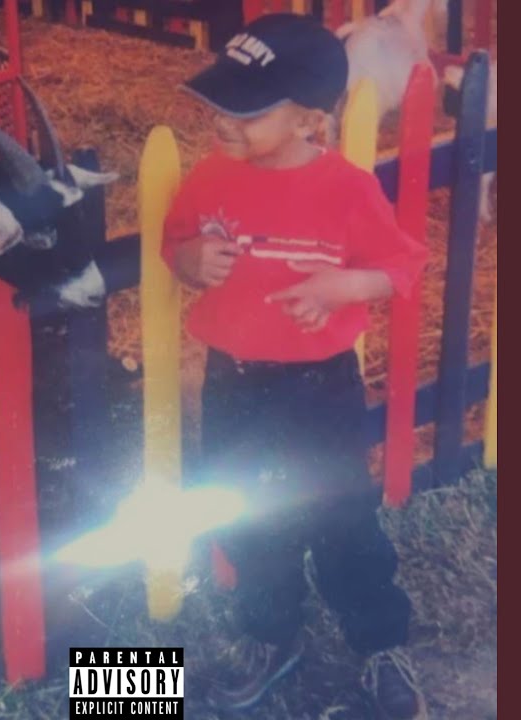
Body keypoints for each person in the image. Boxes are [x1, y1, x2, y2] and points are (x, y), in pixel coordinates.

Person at [161, 13, 429, 718]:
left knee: (341, 517)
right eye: (220, 103)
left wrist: (344, 286)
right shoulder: (212, 176)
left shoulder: (346, 189)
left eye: (246, 111)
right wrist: (189, 259)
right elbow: (177, 241)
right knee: (248, 520)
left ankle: (379, 644)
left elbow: (401, 266)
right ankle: (272, 637)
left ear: (310, 119)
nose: (223, 121)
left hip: (318, 387)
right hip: (233, 383)